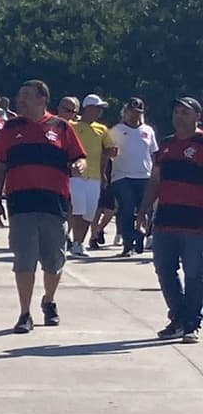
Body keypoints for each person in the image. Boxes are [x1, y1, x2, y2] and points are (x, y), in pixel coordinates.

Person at [0, 80, 85, 334]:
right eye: (20, 96)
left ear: (42, 99)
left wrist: (79, 166)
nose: (20, 100)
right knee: (24, 260)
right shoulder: (11, 128)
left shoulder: (61, 127)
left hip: (54, 203)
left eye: (26, 96)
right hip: (21, 203)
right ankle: (24, 313)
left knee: (54, 260)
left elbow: (79, 158)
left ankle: (49, 300)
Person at [139, 96, 203, 343]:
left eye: (185, 112)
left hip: (195, 221)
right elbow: (155, 181)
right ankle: (177, 317)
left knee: (195, 273)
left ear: (197, 116)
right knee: (164, 269)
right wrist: (144, 209)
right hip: (166, 218)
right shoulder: (165, 146)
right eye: (176, 112)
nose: (179, 116)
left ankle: (191, 323)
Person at [105, 98, 157, 257]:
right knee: (127, 207)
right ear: (125, 112)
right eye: (132, 112)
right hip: (122, 176)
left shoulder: (148, 130)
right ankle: (128, 243)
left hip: (144, 175)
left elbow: (154, 153)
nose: (135, 116)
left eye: (138, 113)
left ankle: (140, 238)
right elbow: (107, 152)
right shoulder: (116, 130)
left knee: (144, 209)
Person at [68, 94, 114, 257]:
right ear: (88, 108)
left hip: (94, 175)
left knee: (89, 213)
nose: (100, 111)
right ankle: (74, 241)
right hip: (76, 175)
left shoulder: (102, 129)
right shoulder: (72, 125)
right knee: (78, 209)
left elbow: (108, 151)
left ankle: (78, 243)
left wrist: (103, 171)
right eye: (97, 108)